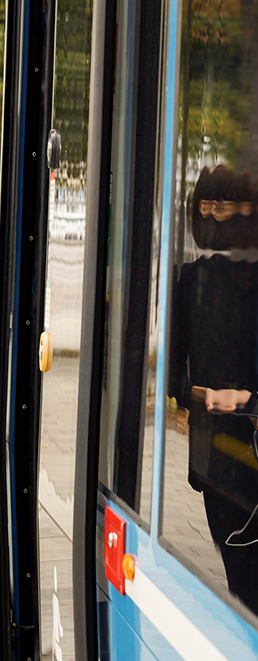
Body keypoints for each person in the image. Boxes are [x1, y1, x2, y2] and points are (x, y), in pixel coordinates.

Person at [169, 164, 258, 614]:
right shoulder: (189, 279)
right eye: (205, 204)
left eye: (224, 204)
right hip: (213, 451)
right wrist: (195, 396)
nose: (214, 214)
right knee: (234, 563)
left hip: (249, 444)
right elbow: (173, 365)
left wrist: (245, 399)